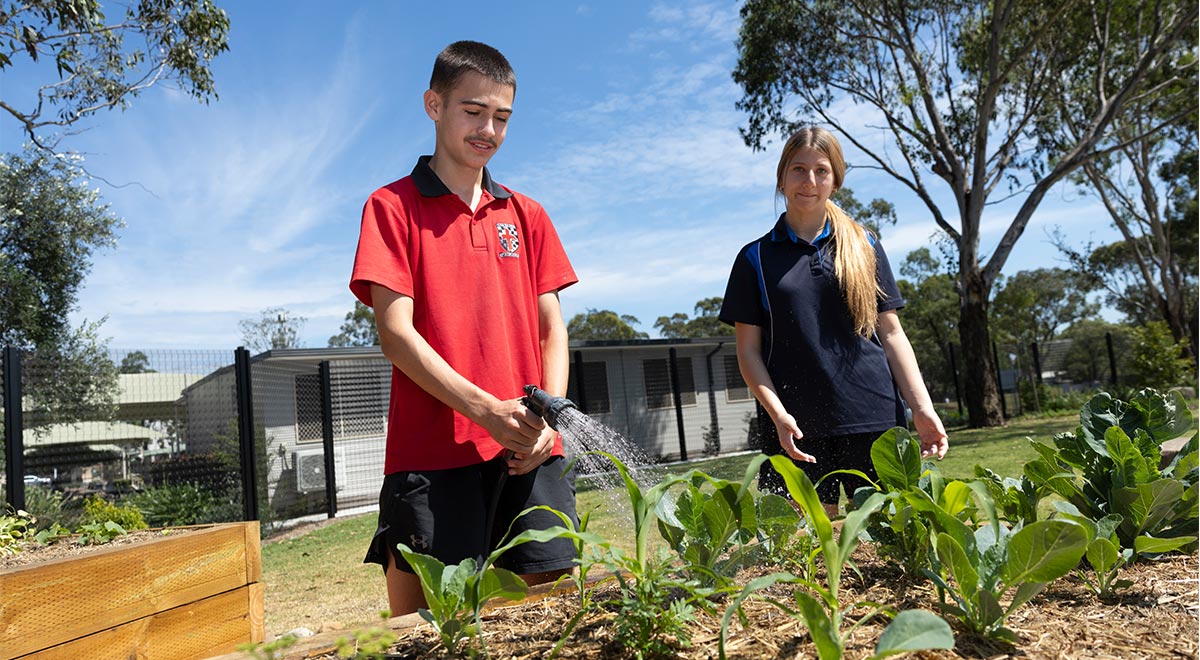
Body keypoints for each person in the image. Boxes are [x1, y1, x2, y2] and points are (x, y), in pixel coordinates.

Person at [349, 40, 579, 616]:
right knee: (430, 637)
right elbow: (395, 334)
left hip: (530, 454)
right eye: (473, 112)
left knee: (551, 628)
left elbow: (553, 329)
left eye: (502, 117)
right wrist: (485, 412)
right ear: (434, 105)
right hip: (431, 460)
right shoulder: (391, 207)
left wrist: (545, 424)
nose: (489, 130)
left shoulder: (527, 215)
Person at [718, 126, 948, 516]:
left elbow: (891, 334)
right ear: (781, 177)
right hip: (795, 427)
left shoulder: (866, 245)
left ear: (836, 180)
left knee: (886, 545)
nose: (809, 181)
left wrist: (921, 407)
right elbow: (748, 354)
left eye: (821, 171)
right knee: (800, 554)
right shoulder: (754, 258)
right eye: (798, 169)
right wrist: (778, 414)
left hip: (873, 418)